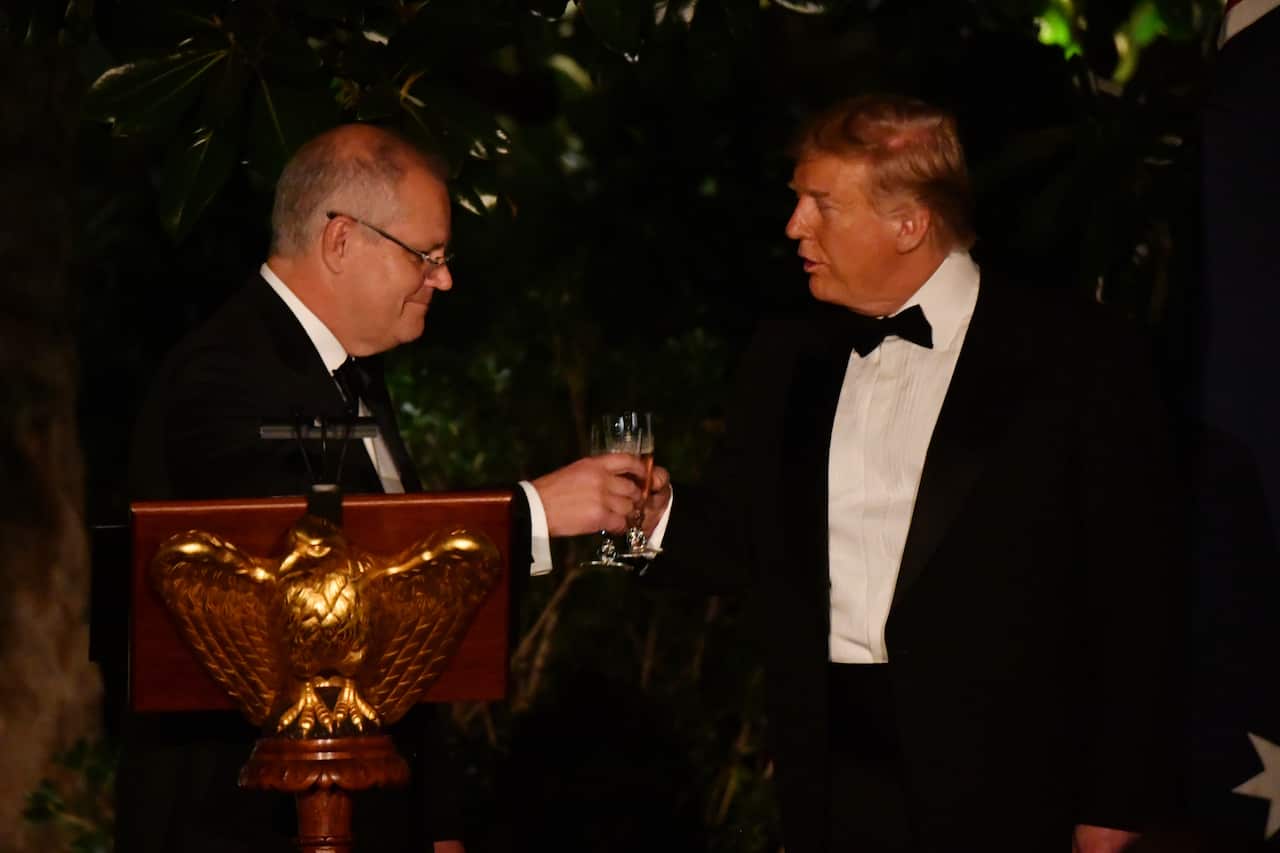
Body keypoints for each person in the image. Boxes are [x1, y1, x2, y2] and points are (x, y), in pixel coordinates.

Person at [640, 94, 1178, 852]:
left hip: (1014, 785)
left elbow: (1136, 597)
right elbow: (742, 540)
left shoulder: (1077, 354)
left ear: (909, 222)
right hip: (828, 773)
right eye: (797, 200)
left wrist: (1116, 802)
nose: (795, 225)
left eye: (821, 203)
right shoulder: (787, 354)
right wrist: (649, 514)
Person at [123, 124, 653, 852]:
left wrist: (437, 823)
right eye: (426, 255)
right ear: (341, 240)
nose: (443, 279)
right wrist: (530, 511)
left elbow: (397, 649)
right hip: (249, 821)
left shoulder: (352, 372)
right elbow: (311, 586)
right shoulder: (224, 375)